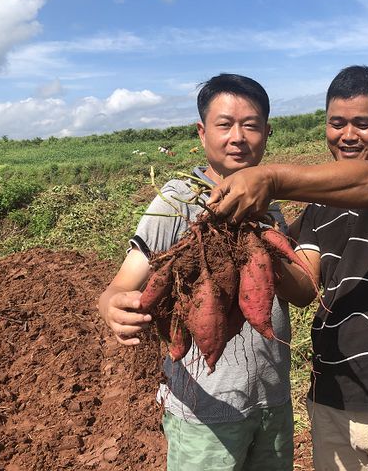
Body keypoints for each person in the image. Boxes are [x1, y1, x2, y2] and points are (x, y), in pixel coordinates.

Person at [207, 65, 368, 470]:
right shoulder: (319, 208)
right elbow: (304, 288)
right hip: (333, 398)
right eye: (337, 123)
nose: (348, 135)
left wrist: (271, 178)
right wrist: (254, 245)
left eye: (363, 123)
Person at [97, 73, 313, 471]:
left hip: (273, 399)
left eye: (250, 126)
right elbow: (119, 286)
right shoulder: (176, 200)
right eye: (225, 125)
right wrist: (112, 305)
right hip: (205, 412)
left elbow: (296, 293)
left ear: (267, 132)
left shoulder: (268, 199)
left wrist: (264, 239)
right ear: (202, 132)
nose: (238, 137)